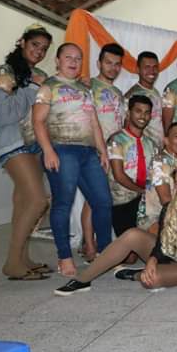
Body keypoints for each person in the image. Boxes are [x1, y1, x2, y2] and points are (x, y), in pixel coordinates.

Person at [54, 163, 177, 295]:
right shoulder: (170, 207)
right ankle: (83, 279)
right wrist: (153, 260)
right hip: (166, 254)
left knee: (150, 282)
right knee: (132, 234)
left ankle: (135, 274)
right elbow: (161, 243)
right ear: (175, 186)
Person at [33, 43, 112, 278]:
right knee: (63, 203)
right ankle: (64, 257)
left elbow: (94, 123)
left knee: (103, 201)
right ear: (57, 61)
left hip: (88, 152)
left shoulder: (85, 90)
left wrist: (103, 151)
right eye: (68, 57)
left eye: (78, 58)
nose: (74, 62)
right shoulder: (48, 87)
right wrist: (48, 150)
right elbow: (38, 121)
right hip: (62, 149)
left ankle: (106, 254)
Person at [0, 23, 53, 280]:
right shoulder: (6, 72)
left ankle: (22, 259)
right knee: (39, 201)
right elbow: (2, 115)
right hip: (12, 143)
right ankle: (12, 263)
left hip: (33, 145)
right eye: (35, 45)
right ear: (22, 42)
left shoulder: (39, 74)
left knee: (23, 203)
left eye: (44, 48)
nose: (39, 51)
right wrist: (31, 88)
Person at [82, 43, 126, 262]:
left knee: (101, 199)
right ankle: (90, 247)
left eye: (117, 64)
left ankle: (97, 245)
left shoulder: (118, 93)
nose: (113, 68)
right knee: (94, 200)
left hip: (113, 152)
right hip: (93, 151)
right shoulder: (88, 86)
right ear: (99, 63)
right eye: (108, 63)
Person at [107, 95, 157, 241]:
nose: (143, 116)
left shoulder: (151, 144)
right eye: (138, 111)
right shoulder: (116, 140)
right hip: (122, 202)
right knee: (131, 248)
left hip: (145, 202)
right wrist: (143, 192)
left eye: (147, 112)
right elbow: (119, 176)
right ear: (129, 113)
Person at [125, 51, 163, 149]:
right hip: (142, 148)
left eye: (155, 67)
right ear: (138, 69)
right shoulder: (132, 95)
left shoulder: (155, 91)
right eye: (147, 67)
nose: (152, 71)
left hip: (156, 147)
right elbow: (127, 126)